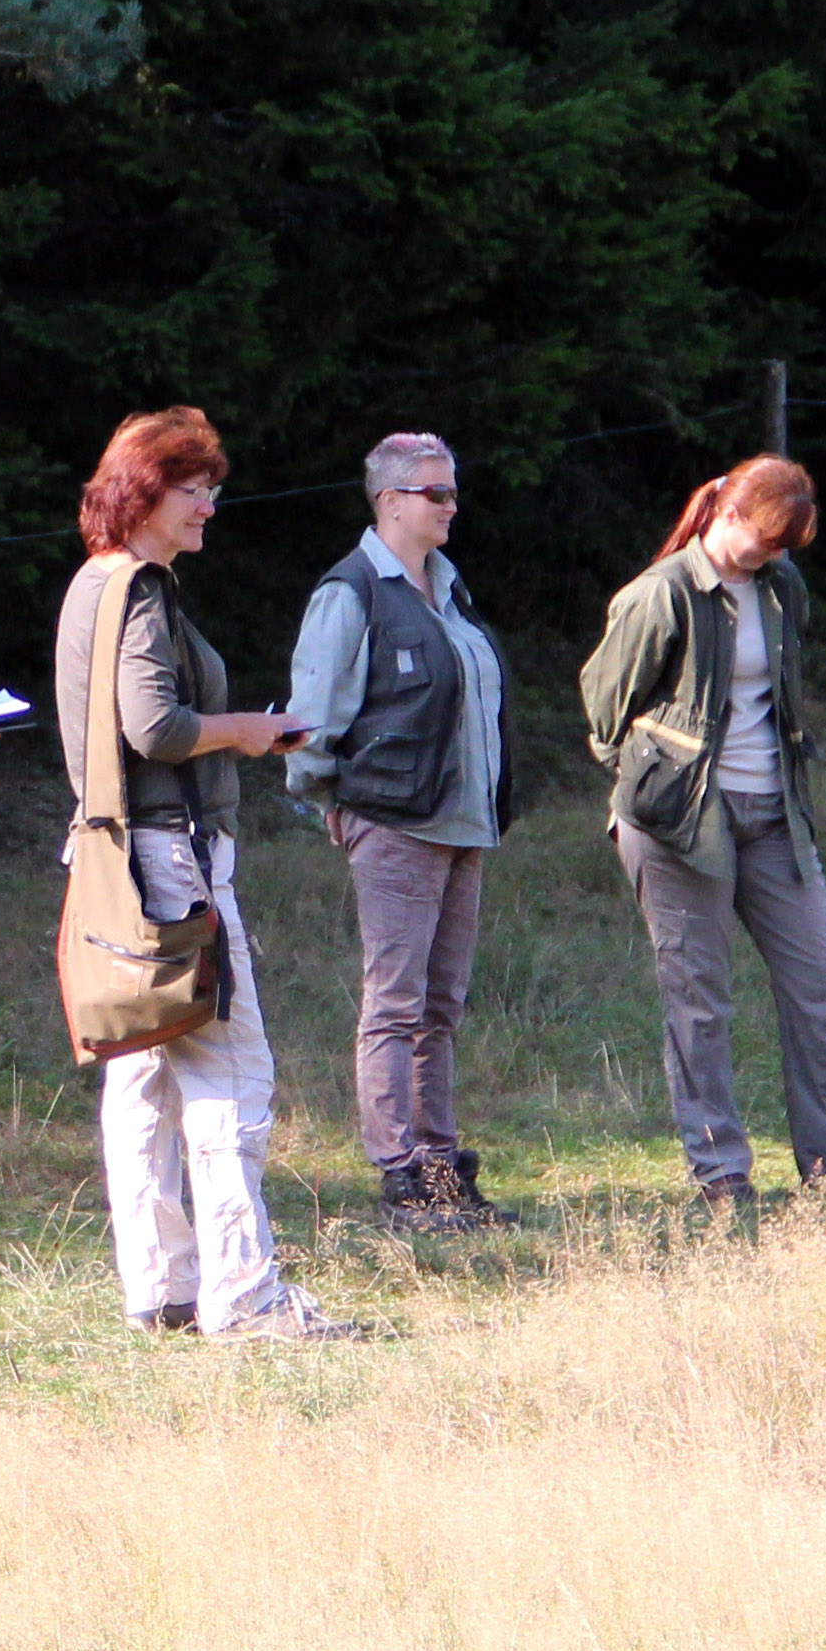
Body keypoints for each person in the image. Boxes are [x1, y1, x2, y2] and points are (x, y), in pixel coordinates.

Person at [54, 407, 358, 1338]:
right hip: (170, 861)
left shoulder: (91, 585)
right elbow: (157, 728)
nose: (209, 510)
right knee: (231, 1067)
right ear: (146, 493)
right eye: (194, 492)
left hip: (117, 859)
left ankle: (163, 1290)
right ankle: (247, 1297)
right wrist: (252, 731)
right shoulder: (140, 588)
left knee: (143, 1077)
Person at [578, 454, 826, 1211]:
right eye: (761, 542)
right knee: (700, 1000)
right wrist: (659, 784)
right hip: (678, 828)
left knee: (824, 984)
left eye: (782, 547)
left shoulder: (784, 589)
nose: (770, 556)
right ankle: (720, 1174)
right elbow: (603, 718)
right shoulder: (658, 595)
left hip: (775, 818)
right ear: (724, 516)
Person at [285, 431, 518, 1234]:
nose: (452, 506)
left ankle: (441, 1167)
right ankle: (400, 1174)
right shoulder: (349, 592)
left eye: (453, 491)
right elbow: (311, 720)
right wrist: (332, 804)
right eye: (436, 493)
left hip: (463, 825)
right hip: (393, 823)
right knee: (394, 1003)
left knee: (442, 1004)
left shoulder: (448, 589)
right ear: (389, 502)